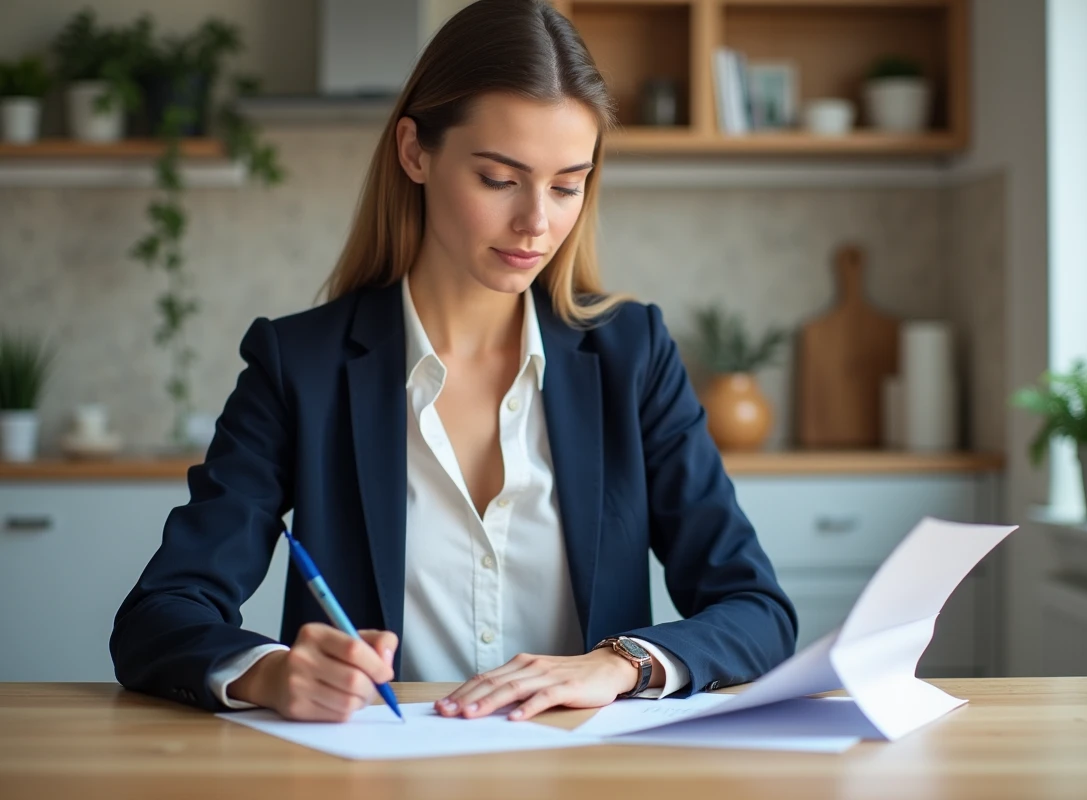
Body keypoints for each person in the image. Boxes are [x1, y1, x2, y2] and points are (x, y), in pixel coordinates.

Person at [110, 0, 797, 723]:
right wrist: (269, 673)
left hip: (588, 778)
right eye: (500, 179)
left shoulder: (633, 356)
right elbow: (161, 613)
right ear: (415, 152)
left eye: (568, 185)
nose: (537, 222)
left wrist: (618, 665)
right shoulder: (300, 367)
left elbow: (756, 611)